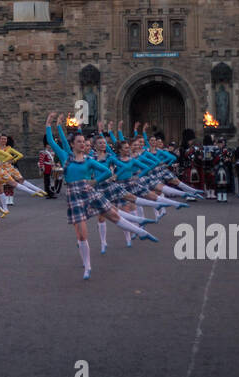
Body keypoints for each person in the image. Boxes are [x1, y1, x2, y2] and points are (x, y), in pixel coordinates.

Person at [45, 112, 157, 279]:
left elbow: (105, 172)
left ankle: (141, 231)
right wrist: (51, 124)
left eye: (84, 142)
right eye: (79, 142)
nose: (83, 144)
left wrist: (94, 182)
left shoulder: (89, 160)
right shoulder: (65, 157)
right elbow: (53, 141)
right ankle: (87, 266)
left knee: (112, 214)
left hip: (89, 191)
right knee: (81, 234)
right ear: (72, 144)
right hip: (74, 196)